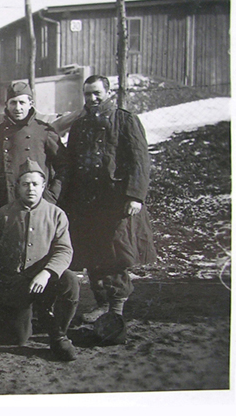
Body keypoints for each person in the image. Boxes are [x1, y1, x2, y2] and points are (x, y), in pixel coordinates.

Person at [60, 75, 156, 326]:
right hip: (85, 202)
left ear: (108, 92)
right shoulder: (80, 125)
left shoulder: (126, 120)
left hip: (115, 203)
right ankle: (102, 303)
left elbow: (140, 162)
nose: (91, 99)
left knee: (115, 254)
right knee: (92, 253)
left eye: (96, 93)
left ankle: (116, 308)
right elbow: (70, 164)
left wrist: (135, 196)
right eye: (87, 94)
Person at [0, 158, 79, 361]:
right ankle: (22, 318)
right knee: (18, 338)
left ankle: (58, 334)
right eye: (25, 184)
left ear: (43, 186)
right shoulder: (1, 215)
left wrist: (46, 273)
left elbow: (64, 250)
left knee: (71, 281)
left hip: (44, 282)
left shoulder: (56, 214)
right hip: (16, 285)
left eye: (35, 184)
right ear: (17, 186)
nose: (30, 189)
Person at [0, 81, 66, 228]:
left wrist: (51, 195)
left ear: (30, 103)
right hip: (1, 203)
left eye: (22, 102)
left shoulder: (43, 131)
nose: (17, 108)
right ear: (7, 104)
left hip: (34, 202)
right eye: (13, 103)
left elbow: (64, 166)